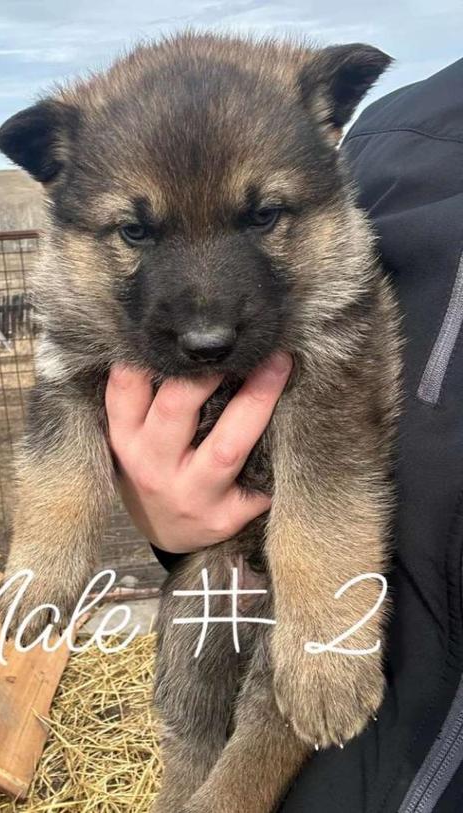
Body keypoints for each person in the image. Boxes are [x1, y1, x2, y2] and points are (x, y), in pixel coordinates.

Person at [105, 57, 463, 812]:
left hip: (345, 708)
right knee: (192, 733)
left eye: (262, 217)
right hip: (330, 753)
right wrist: (175, 522)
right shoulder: (398, 135)